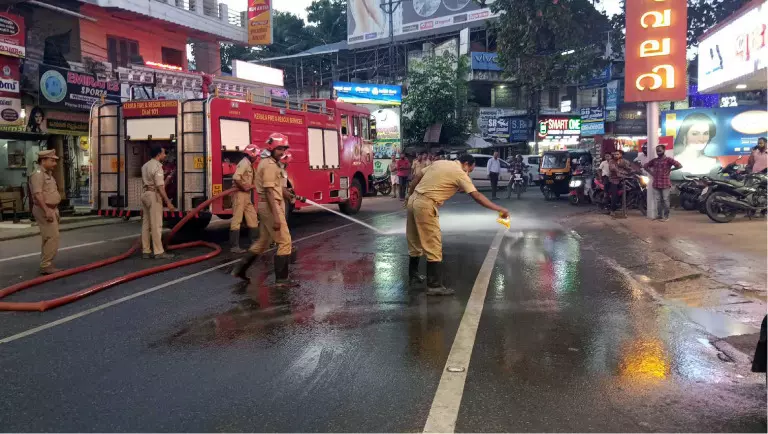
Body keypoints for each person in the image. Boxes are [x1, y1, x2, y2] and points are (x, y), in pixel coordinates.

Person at [405, 154, 510, 296]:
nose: (469, 173)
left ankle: (414, 276)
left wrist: (409, 195)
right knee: (433, 244)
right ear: (466, 164)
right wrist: (499, 209)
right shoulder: (459, 173)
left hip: (414, 200)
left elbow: (417, 176)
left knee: (414, 240)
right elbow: (477, 196)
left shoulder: (440, 163)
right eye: (470, 170)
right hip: (426, 205)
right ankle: (434, 285)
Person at [231, 133, 304, 287]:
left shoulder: (269, 162)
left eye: (284, 148)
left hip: (267, 206)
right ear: (271, 148)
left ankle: (239, 270)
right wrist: (277, 217)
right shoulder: (270, 165)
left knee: (263, 241)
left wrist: (285, 192)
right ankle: (282, 281)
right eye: (279, 149)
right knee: (285, 241)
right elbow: (270, 192)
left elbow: (274, 187)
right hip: (271, 206)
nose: (282, 151)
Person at [29, 150, 62, 275]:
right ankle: (46, 265)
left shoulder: (48, 174)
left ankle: (46, 263)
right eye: (52, 160)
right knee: (52, 237)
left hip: (51, 209)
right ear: (43, 161)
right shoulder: (38, 174)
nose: (55, 163)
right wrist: (47, 210)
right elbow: (38, 194)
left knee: (48, 237)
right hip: (44, 209)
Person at [141, 145, 176, 259]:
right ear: (158, 155)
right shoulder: (157, 166)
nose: (165, 155)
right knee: (156, 225)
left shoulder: (145, 165)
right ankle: (158, 252)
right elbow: (160, 187)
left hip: (145, 194)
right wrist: (168, 202)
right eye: (163, 153)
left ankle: (146, 250)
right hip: (154, 195)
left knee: (146, 224)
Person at [229, 144, 260, 253]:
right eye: (256, 156)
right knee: (237, 219)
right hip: (239, 194)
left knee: (252, 216)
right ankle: (234, 247)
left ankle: (255, 242)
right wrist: (244, 188)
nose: (257, 158)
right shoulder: (244, 163)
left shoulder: (249, 164)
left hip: (246, 196)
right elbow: (236, 178)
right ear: (252, 155)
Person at [644, 145, 683, 222]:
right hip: (656, 183)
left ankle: (666, 216)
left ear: (664, 150)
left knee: (665, 200)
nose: (658, 152)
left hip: (665, 183)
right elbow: (645, 166)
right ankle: (659, 216)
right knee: (658, 201)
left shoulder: (668, 160)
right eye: (657, 150)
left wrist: (670, 170)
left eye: (660, 150)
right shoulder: (655, 160)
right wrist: (651, 173)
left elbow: (679, 165)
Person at [608, 150, 632, 216]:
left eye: (617, 154)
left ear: (620, 155)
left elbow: (629, 167)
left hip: (623, 179)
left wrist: (635, 171)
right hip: (614, 180)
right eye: (615, 154)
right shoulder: (611, 161)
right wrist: (618, 172)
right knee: (614, 195)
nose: (616, 155)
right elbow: (613, 168)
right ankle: (612, 210)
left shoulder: (624, 161)